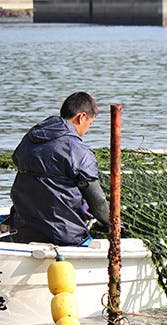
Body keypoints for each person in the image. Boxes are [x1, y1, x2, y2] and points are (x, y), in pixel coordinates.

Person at [9, 92, 109, 246]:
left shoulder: (30, 138)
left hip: (23, 231)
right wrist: (116, 226)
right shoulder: (78, 150)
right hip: (65, 236)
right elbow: (98, 203)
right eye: (90, 124)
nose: (87, 130)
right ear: (81, 117)